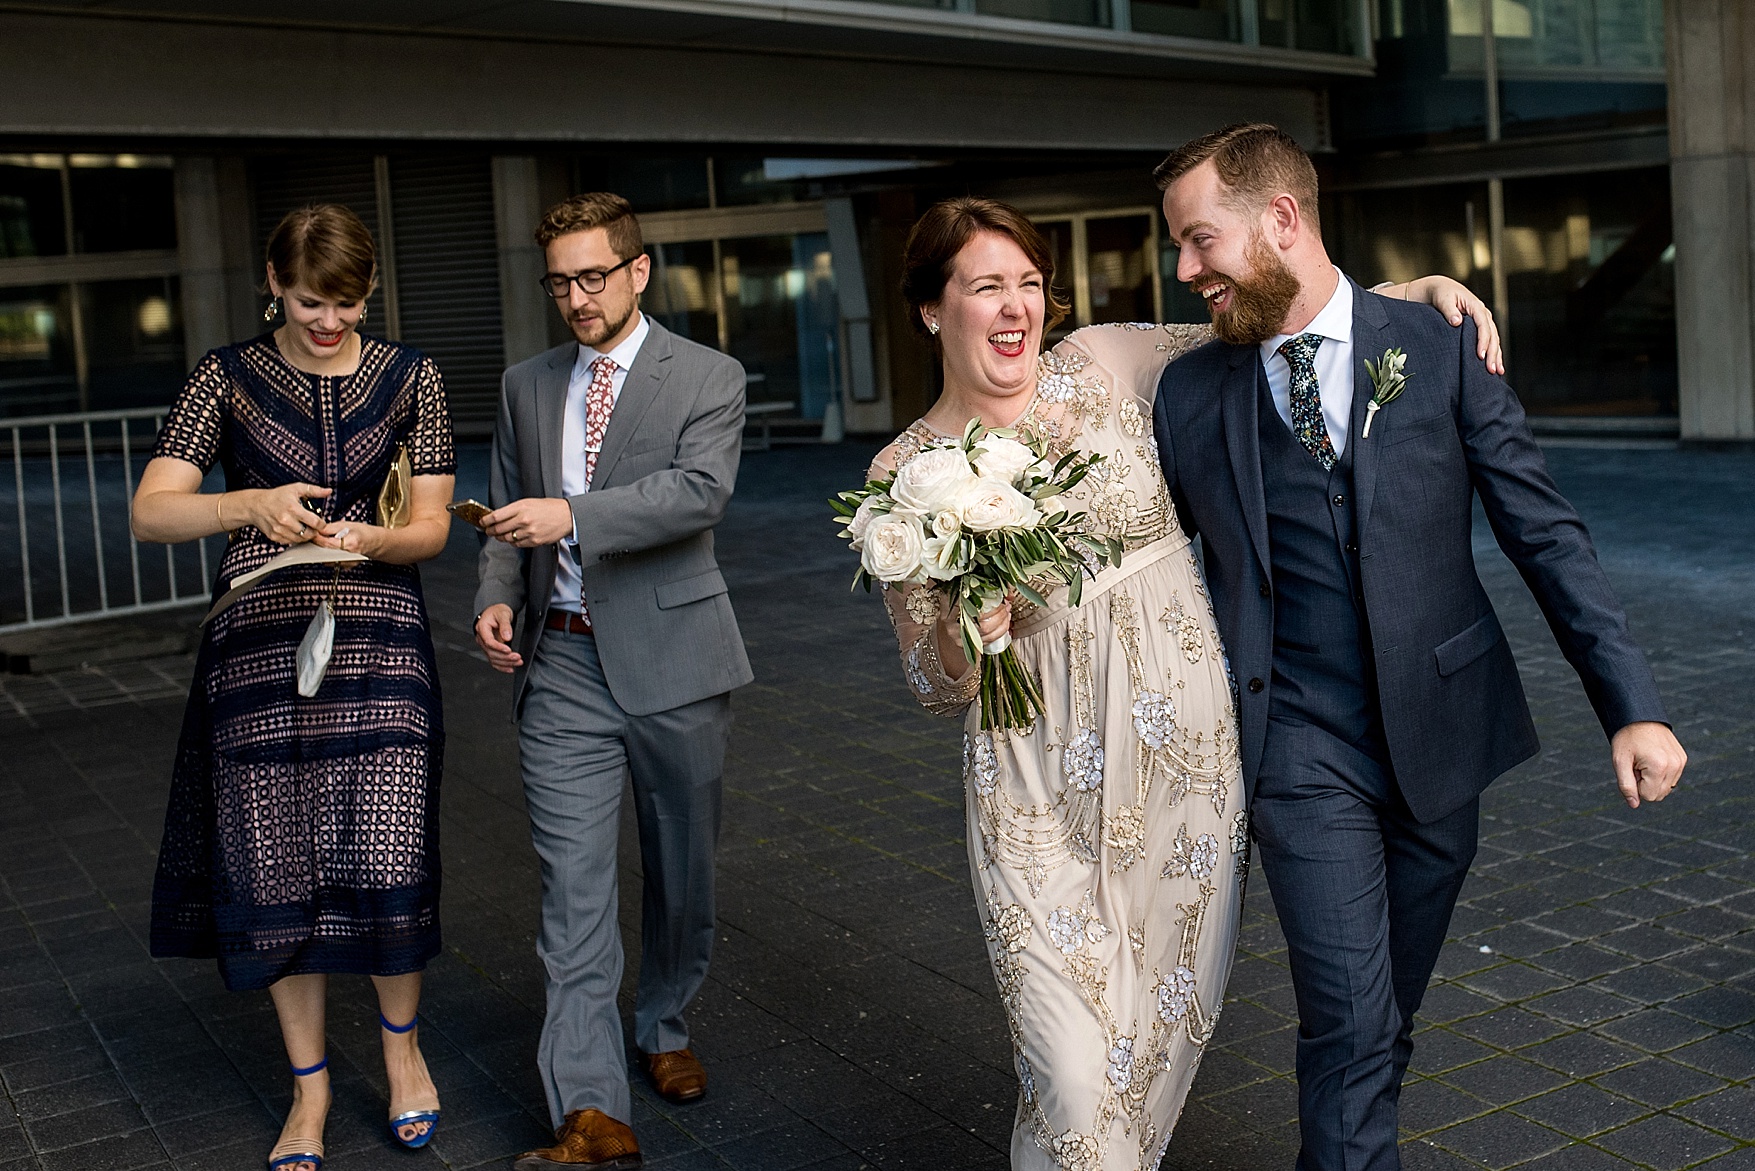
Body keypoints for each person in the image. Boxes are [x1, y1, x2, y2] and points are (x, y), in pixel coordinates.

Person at [874, 196, 1498, 1171]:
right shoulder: (906, 470)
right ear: (929, 308)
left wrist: (1400, 295)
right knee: (1073, 1082)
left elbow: (1265, 326)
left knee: (1150, 1055)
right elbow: (930, 680)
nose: (1015, 306)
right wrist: (967, 634)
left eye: (1028, 283)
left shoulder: (1109, 363)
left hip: (1186, 777)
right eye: (985, 284)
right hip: (1034, 798)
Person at [1151, 123, 1688, 1170]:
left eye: (1199, 241)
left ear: (1282, 220)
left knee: (1382, 1022)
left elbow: (1544, 530)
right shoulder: (1187, 389)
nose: (1185, 271)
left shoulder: (1440, 348)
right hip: (1297, 749)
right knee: (1348, 1020)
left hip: (1442, 736)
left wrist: (1633, 701)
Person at [133, 203, 455, 1171]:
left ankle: (403, 1058)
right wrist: (251, 505)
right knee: (274, 867)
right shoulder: (221, 378)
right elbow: (153, 512)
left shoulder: (413, 376)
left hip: (380, 636)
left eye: (349, 304)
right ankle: (308, 1095)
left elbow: (433, 525)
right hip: (258, 643)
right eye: (312, 301)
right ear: (273, 282)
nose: (330, 322)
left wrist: (375, 537)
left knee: (389, 852)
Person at [471, 192, 753, 1171]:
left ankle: (666, 1022)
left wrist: (571, 515)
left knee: (683, 872)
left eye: (594, 276)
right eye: (560, 280)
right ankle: (590, 1110)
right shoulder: (524, 382)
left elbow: (696, 494)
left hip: (677, 658)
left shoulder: (708, 376)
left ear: (638, 271)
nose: (577, 297)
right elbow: (511, 505)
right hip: (564, 664)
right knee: (573, 890)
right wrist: (499, 594)